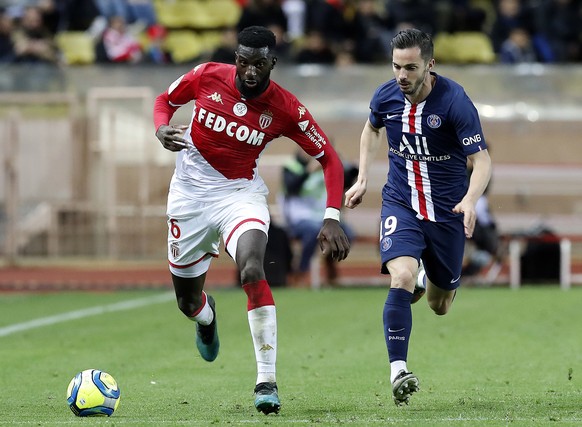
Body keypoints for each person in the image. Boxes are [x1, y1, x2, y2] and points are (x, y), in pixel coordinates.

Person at [153, 26, 350, 415]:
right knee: (186, 301)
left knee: (252, 269)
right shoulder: (207, 74)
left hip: (239, 197)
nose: (249, 71)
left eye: (258, 64)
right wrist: (161, 128)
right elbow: (165, 100)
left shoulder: (286, 108)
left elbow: (329, 157)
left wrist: (331, 216)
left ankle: (266, 381)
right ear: (236, 58)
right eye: (243, 61)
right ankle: (206, 319)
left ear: (272, 63)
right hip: (188, 198)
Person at [344, 28, 491, 406]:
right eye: (396, 67)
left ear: (430, 64)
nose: (402, 76)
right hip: (401, 203)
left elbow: (481, 160)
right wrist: (363, 178)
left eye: (411, 67)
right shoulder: (386, 95)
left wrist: (472, 200)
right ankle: (398, 370)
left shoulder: (455, 102)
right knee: (401, 276)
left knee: (439, 305)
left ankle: (431, 277)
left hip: (446, 212)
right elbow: (371, 128)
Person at [281, 149, 356, 286]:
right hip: (299, 218)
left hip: (323, 217)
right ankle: (301, 272)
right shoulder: (292, 166)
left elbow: (349, 180)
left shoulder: (327, 166)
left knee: (348, 233)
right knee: (313, 232)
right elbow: (291, 188)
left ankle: (330, 262)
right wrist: (309, 171)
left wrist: (341, 164)